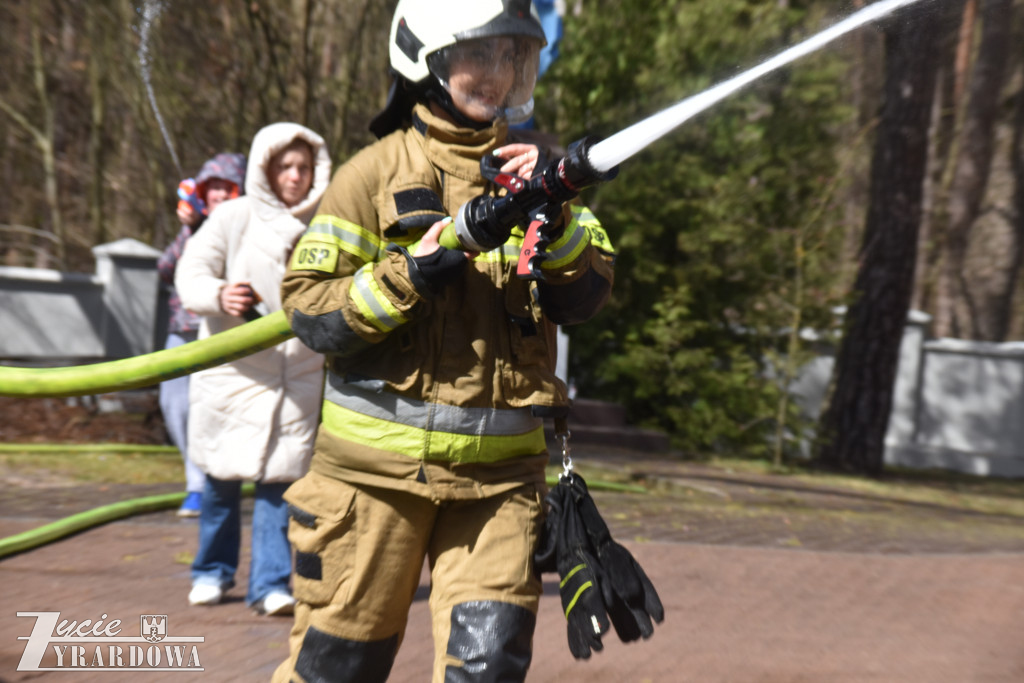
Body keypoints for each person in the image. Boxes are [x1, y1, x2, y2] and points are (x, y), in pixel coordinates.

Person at [272, 1, 615, 680]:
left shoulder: (536, 174)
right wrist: (411, 274)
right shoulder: (369, 176)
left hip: (500, 488)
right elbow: (310, 311)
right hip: (370, 484)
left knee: (486, 671)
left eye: (514, 56)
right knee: (338, 666)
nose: (500, 72)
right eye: (481, 55)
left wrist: (561, 222)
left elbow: (590, 294)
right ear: (424, 58)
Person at [175, 123, 332, 616]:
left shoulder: (330, 221)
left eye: (304, 167)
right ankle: (212, 573)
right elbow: (191, 273)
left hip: (298, 378)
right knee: (220, 482)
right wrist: (220, 295)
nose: (295, 176)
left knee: (279, 489)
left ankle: (270, 584)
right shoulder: (232, 216)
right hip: (233, 374)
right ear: (265, 167)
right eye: (285, 166)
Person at [157, 153, 246, 517]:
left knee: (222, 409)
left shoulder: (246, 227)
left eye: (228, 187)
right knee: (175, 404)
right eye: (214, 188)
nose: (220, 195)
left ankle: (214, 482)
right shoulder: (192, 227)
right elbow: (166, 270)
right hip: (183, 330)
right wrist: (188, 229)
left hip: (227, 333)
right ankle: (197, 484)